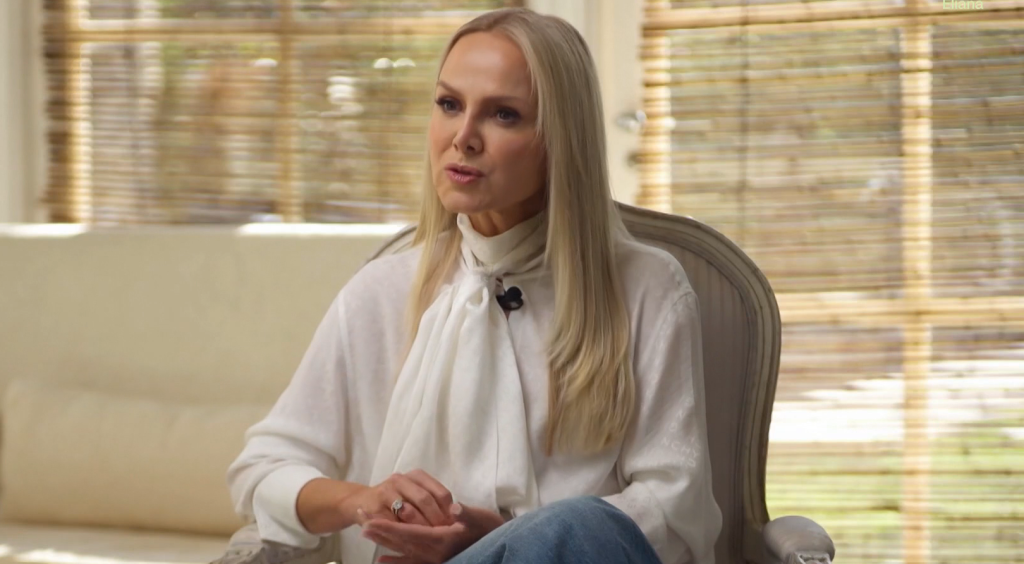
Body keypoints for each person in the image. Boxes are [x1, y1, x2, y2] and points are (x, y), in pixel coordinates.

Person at [227, 7, 722, 564]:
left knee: (581, 524)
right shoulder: (381, 292)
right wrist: (362, 500)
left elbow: (676, 509)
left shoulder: (646, 289)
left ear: (560, 139)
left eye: (504, 115)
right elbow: (262, 470)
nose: (463, 138)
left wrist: (510, 538)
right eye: (449, 104)